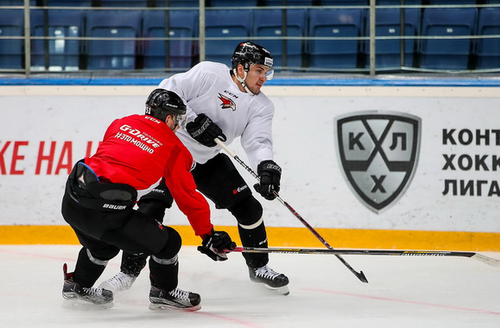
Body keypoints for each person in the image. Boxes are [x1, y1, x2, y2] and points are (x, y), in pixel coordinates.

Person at [102, 41, 290, 295]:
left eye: (266, 73)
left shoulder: (262, 105)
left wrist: (266, 166)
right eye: (259, 70)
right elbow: (166, 91)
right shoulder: (209, 73)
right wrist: (192, 120)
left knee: (249, 208)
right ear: (241, 68)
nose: (263, 78)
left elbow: (257, 142)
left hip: (206, 159)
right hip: (168, 155)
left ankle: (259, 267)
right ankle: (127, 272)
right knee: (151, 209)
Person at [61, 89, 236, 310]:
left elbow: (114, 160)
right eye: (178, 119)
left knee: (103, 247)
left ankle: (78, 285)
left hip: (72, 202)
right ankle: (164, 292)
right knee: (170, 241)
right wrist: (207, 234)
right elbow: (187, 196)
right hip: (106, 215)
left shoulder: (121, 123)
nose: (179, 126)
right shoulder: (174, 147)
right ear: (169, 117)